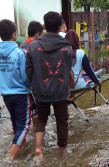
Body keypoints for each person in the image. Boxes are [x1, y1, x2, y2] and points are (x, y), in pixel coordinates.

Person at [26, 11, 73, 157]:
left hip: (41, 91)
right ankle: (62, 151)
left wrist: (37, 83)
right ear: (60, 27)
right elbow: (68, 69)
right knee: (62, 120)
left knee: (41, 119)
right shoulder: (67, 47)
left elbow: (28, 70)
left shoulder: (33, 46)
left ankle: (38, 147)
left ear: (44, 26)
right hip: (60, 91)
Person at [0, 19, 32, 160]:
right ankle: (11, 157)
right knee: (24, 126)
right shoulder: (20, 53)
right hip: (21, 94)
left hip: (6, 95)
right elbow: (26, 76)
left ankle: (18, 146)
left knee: (15, 123)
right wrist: (31, 86)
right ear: (14, 35)